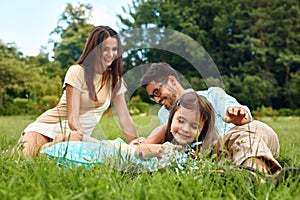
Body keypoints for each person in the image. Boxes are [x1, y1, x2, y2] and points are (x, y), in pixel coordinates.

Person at [18, 25, 137, 158]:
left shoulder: (115, 80)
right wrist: (79, 134)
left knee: (50, 155)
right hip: (48, 127)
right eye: (105, 49)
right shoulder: (77, 71)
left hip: (73, 137)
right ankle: (50, 145)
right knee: (22, 157)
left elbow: (124, 117)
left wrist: (135, 144)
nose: (111, 54)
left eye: (115, 49)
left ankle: (51, 146)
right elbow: (73, 118)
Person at [137, 62, 252, 144]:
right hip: (202, 158)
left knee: (258, 129)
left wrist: (239, 113)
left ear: (171, 81)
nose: (157, 100)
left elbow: (240, 112)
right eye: (153, 97)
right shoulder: (163, 114)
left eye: (157, 92)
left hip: (234, 144)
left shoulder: (212, 95)